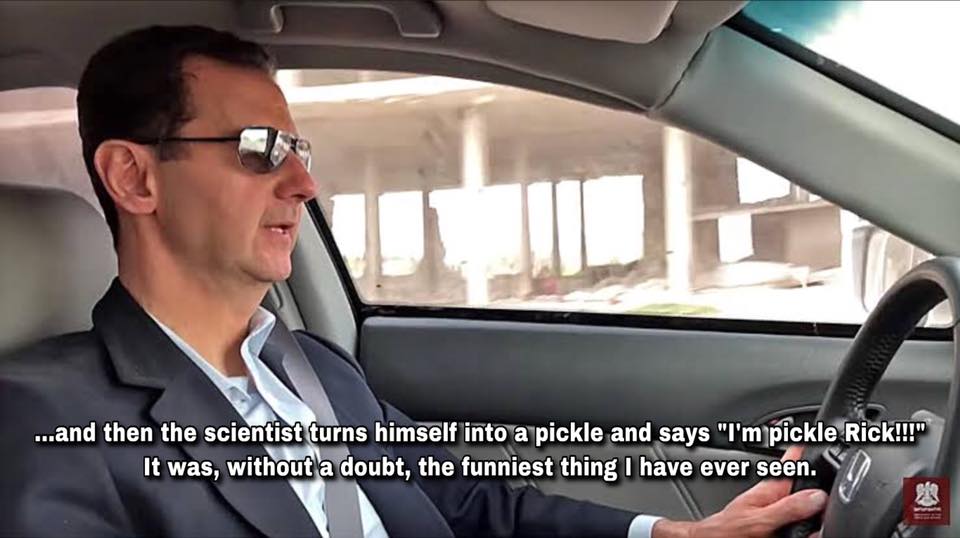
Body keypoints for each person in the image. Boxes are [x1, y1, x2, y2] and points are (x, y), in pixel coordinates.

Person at [0, 25, 827, 538]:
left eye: (299, 151)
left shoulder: (313, 368)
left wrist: (672, 535)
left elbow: (466, 504)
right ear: (135, 178)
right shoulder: (43, 418)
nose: (303, 184)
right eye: (260, 150)